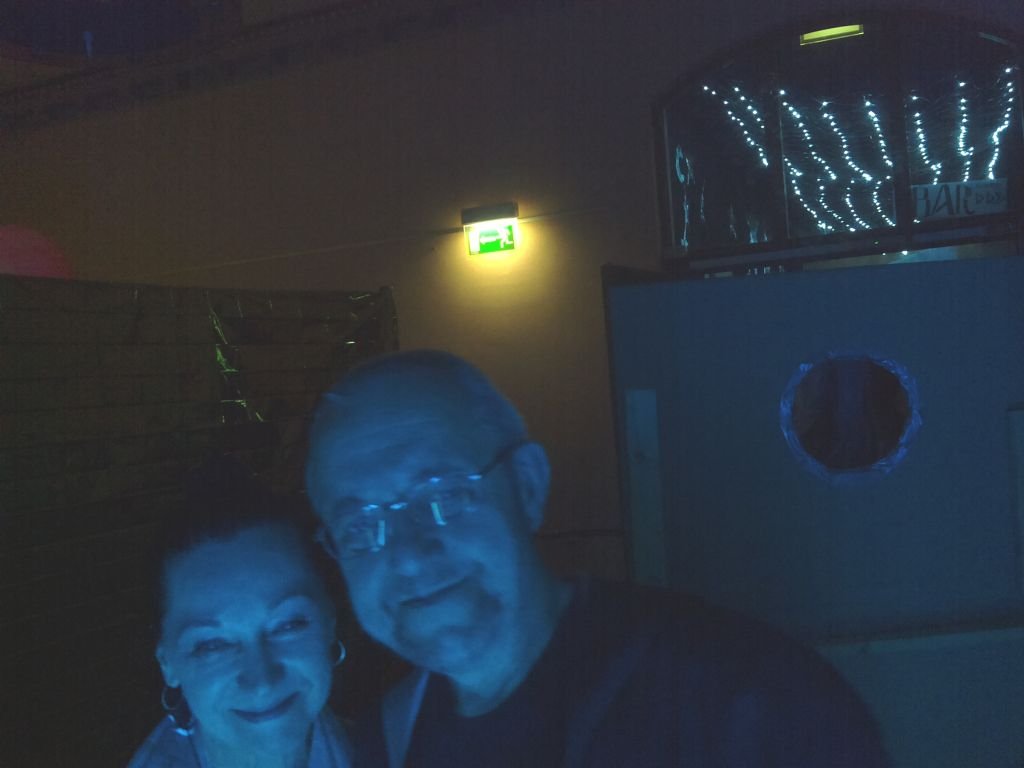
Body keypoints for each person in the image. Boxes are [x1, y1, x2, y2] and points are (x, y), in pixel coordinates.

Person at [304, 350, 889, 767]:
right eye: (360, 527)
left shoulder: (746, 704)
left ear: (527, 486)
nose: (408, 555)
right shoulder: (382, 745)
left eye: (444, 495)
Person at [128, 456, 353, 768]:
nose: (262, 681)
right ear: (167, 663)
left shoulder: (395, 743)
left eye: (288, 624)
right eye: (211, 645)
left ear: (329, 622)